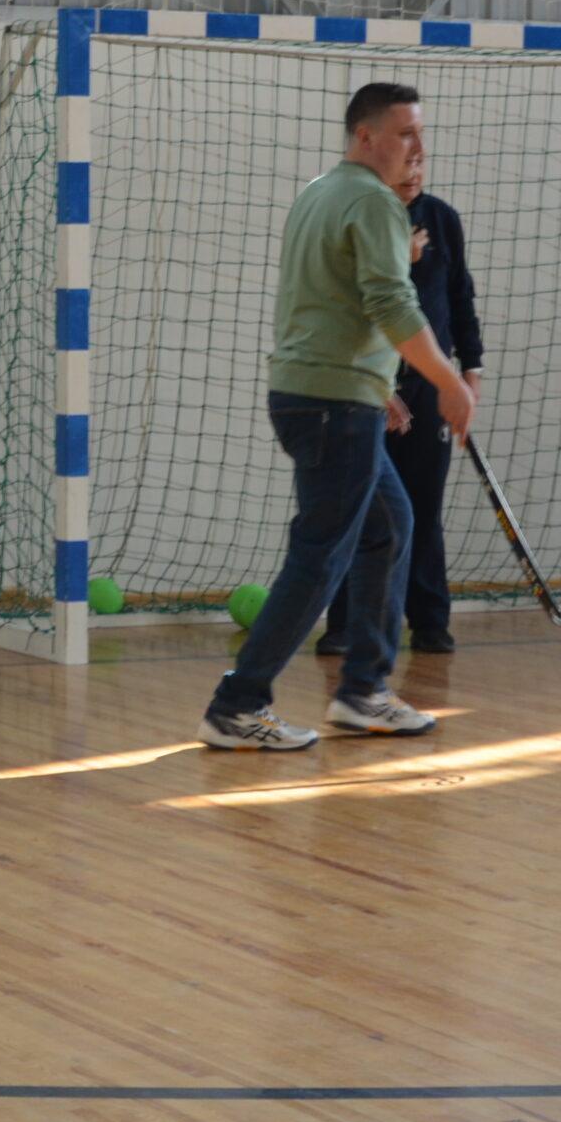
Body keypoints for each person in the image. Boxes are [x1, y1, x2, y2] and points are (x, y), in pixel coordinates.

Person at [199, 82, 477, 751]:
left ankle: (363, 691)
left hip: (320, 394)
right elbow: (393, 307)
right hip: (333, 406)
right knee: (320, 558)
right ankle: (238, 704)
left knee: (389, 527)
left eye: (420, 132)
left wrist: (372, 378)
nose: (419, 146)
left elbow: (326, 300)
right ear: (366, 138)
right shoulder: (374, 203)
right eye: (406, 132)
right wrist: (449, 382)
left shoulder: (319, 192)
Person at [318, 157, 482, 655]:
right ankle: (344, 627)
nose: (413, 172)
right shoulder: (362, 217)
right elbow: (357, 303)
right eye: (404, 162)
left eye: (421, 162)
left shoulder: (442, 219)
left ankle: (430, 622)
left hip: (431, 387)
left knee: (423, 508)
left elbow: (459, 297)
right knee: (363, 508)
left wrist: (469, 372)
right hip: (368, 387)